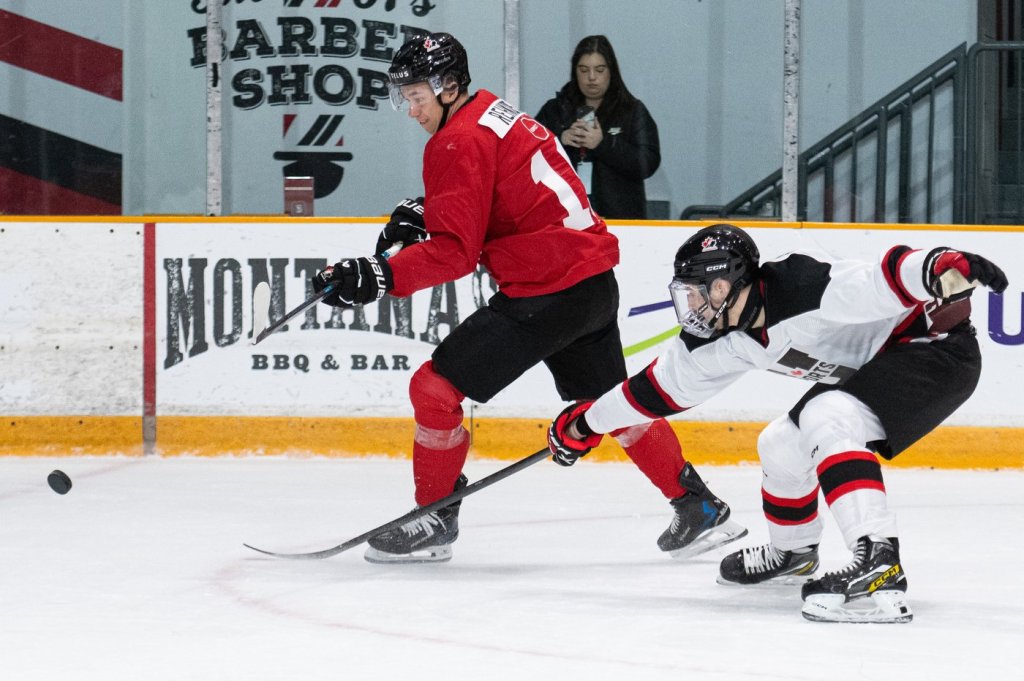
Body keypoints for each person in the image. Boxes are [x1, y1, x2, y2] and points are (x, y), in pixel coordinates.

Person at [309, 32, 744, 564]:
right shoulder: (495, 112)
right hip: (592, 285)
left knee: (433, 389)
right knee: (612, 404)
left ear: (448, 87)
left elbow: (455, 253)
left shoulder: (454, 141)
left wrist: (379, 275)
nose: (411, 110)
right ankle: (698, 505)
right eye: (405, 98)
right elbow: (508, 191)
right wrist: (431, 208)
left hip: (547, 292)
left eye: (416, 96)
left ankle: (433, 517)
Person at [548, 223, 1008, 623]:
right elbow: (655, 390)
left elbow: (882, 280)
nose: (691, 307)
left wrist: (938, 263)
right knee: (781, 444)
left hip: (935, 350)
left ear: (725, 284)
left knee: (828, 415)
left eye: (698, 292)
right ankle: (795, 552)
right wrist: (586, 424)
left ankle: (879, 561)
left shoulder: (802, 284)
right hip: (877, 365)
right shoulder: (719, 338)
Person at [535, 35, 660, 219]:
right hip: (564, 219)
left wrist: (604, 144)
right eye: (583, 70)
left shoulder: (632, 111)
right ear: (575, 72)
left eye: (599, 70)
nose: (591, 77)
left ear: (611, 71)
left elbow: (648, 163)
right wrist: (560, 140)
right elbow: (529, 157)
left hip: (621, 221)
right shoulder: (554, 110)